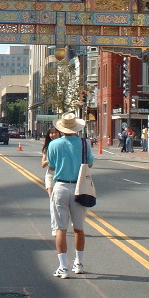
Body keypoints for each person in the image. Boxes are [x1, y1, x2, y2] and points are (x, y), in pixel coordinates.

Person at [47, 112, 94, 278]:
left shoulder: (54, 145)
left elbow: (51, 165)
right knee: (79, 229)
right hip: (79, 188)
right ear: (76, 128)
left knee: (61, 229)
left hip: (60, 186)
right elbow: (90, 162)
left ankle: (63, 267)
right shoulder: (83, 143)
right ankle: (79, 264)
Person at [42, 127, 61, 236]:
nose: (53, 135)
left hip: (63, 175)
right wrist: (50, 158)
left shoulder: (64, 145)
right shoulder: (47, 148)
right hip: (51, 175)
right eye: (51, 133)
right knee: (53, 202)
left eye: (55, 133)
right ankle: (54, 227)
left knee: (65, 203)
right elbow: (43, 164)